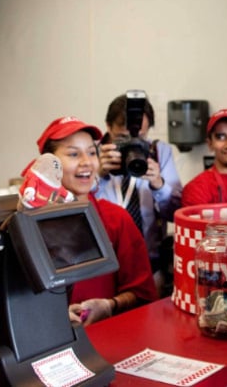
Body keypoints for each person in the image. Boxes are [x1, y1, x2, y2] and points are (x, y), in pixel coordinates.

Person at [36, 116, 158, 326]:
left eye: (92, 152)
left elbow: (142, 294)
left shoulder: (115, 219)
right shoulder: (30, 223)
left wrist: (110, 305)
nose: (87, 162)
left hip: (105, 340)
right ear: (49, 164)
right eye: (74, 154)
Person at [95, 94, 182, 293]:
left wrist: (159, 185)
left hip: (150, 263)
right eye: (123, 139)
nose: (133, 145)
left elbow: (175, 213)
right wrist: (97, 176)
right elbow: (76, 206)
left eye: (140, 138)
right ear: (108, 127)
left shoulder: (159, 152)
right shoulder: (91, 154)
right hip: (103, 265)